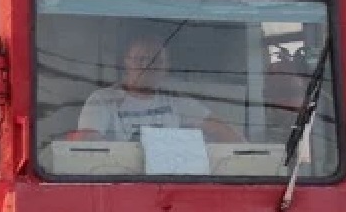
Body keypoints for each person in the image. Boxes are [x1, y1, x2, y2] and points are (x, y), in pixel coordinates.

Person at [71, 35, 244, 143]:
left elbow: (221, 129)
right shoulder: (103, 99)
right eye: (140, 59)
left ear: (166, 67)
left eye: (156, 61)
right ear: (126, 62)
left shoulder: (177, 101)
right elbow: (87, 141)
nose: (147, 66)